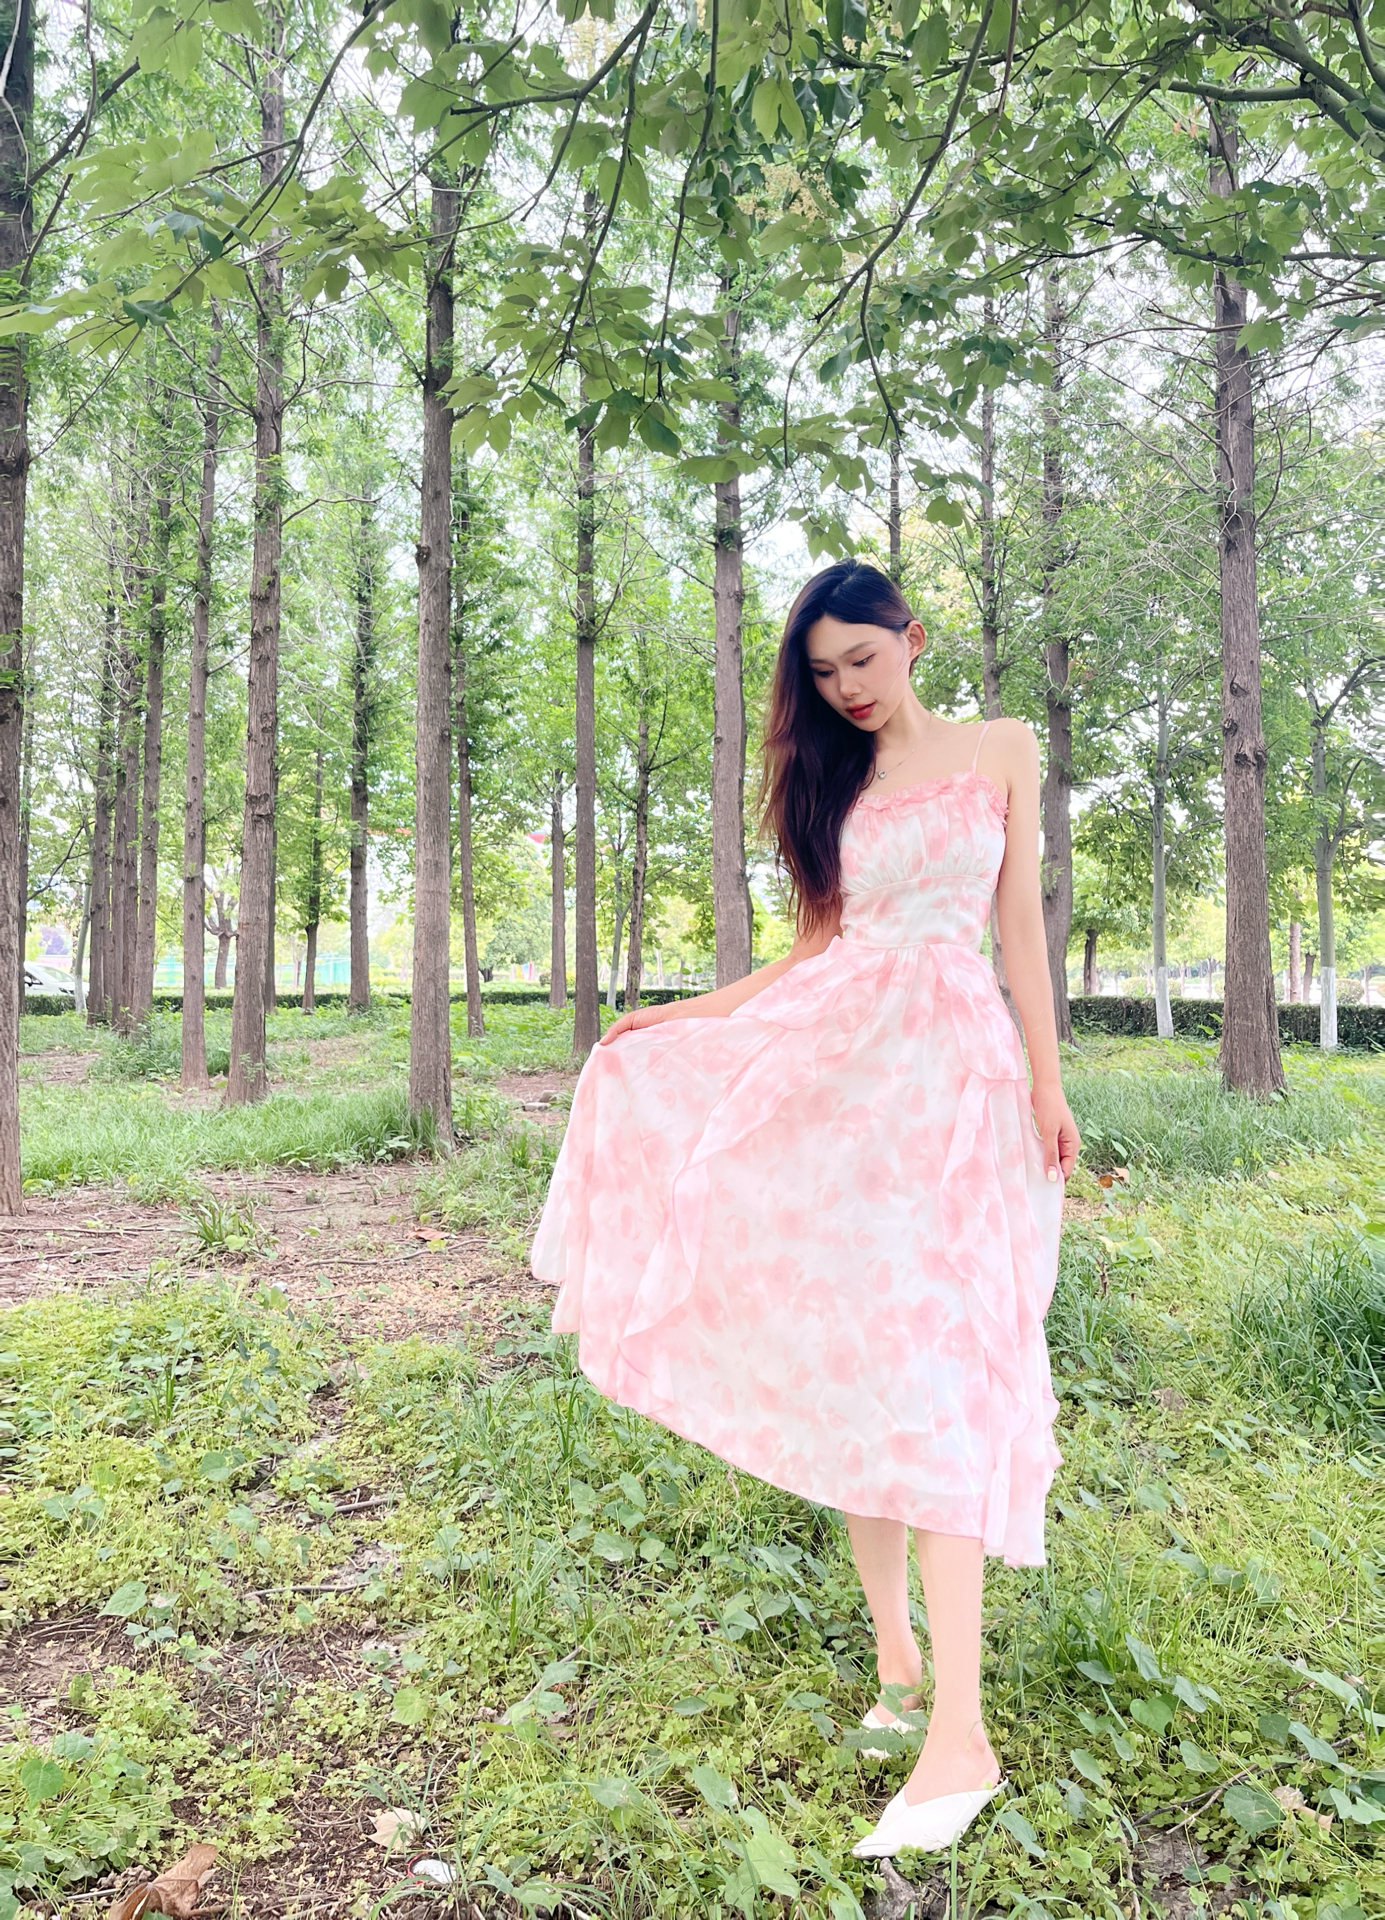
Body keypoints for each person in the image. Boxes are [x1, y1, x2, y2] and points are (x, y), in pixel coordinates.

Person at [531, 559, 1080, 1859]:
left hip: (953, 1084)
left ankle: (962, 1734)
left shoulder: (1001, 749)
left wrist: (1048, 1084)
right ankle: (900, 1666)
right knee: (861, 1368)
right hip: (840, 1079)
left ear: (913, 639)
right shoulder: (830, 781)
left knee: (939, 1376)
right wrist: (678, 1018)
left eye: (862, 662)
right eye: (823, 674)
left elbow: (1018, 934)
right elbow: (813, 948)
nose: (845, 689)